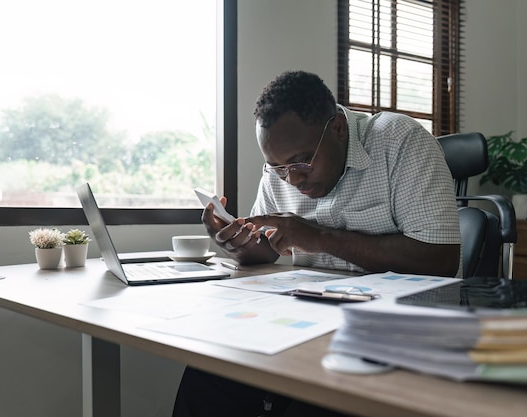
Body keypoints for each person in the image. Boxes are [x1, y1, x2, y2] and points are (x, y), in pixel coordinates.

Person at [172, 70, 461, 416]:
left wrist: (317, 237)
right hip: (308, 320)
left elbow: (440, 259)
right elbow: (269, 247)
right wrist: (241, 247)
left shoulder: (400, 142)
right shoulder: (281, 169)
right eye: (277, 168)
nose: (292, 179)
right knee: (208, 376)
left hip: (391, 330)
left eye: (302, 161)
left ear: (338, 127)